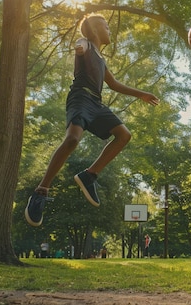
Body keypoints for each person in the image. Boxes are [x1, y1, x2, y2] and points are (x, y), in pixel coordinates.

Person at [25, 15, 160, 226]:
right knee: (72, 140)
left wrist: (141, 93)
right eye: (106, 27)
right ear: (96, 30)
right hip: (80, 97)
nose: (109, 31)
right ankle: (41, 191)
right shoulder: (85, 44)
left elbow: (114, 84)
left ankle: (89, 176)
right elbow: (79, 45)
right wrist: (79, 48)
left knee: (124, 135)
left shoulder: (101, 59)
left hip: (97, 103)